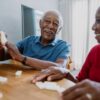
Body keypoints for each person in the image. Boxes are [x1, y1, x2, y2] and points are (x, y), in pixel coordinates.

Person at [32, 7, 100, 100]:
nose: (93, 27)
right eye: (47, 21)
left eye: (99, 21)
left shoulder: (63, 45)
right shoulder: (95, 51)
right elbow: (79, 83)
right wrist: (66, 73)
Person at [0, 10, 70, 70]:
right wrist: (1, 47)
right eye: (47, 21)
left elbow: (59, 67)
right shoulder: (29, 40)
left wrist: (22, 58)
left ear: (59, 29)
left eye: (55, 24)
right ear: (40, 23)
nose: (51, 26)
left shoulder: (63, 46)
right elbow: (9, 54)